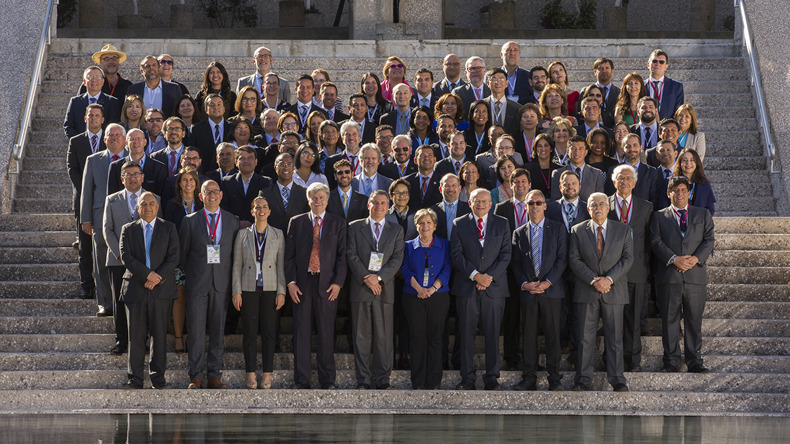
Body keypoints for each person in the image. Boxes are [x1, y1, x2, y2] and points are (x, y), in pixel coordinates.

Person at [568, 192, 634, 392]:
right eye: (593, 204)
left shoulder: (623, 230)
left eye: (601, 204)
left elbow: (628, 259)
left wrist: (609, 279)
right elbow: (574, 259)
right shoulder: (577, 230)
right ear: (588, 209)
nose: (597, 207)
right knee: (584, 338)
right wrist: (593, 280)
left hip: (614, 290)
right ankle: (583, 379)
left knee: (614, 338)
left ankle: (617, 379)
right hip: (587, 290)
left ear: (608, 207)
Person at [651, 176, 715, 374]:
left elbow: (709, 240)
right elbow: (655, 242)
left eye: (683, 190)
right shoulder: (659, 216)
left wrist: (694, 259)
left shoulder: (702, 214)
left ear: (690, 193)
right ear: (668, 193)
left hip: (695, 277)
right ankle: (670, 361)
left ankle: (694, 360)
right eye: (675, 190)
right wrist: (673, 259)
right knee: (669, 321)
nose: (679, 194)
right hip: (669, 277)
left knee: (694, 320)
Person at [285, 183, 347, 389]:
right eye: (313, 197)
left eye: (321, 197)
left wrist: (338, 283)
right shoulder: (296, 222)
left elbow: (341, 257)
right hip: (302, 285)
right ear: (308, 200)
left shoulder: (338, 223)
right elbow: (289, 257)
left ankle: (327, 380)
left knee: (327, 334)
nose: (317, 201)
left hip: (328, 285)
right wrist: (291, 283)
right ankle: (302, 380)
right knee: (301, 334)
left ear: (327, 200)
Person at [180, 180, 240, 389]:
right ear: (201, 196)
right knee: (195, 331)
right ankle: (195, 375)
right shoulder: (190, 221)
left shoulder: (232, 221)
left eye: (215, 192)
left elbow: (235, 254)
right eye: (207, 192)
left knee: (218, 329)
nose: (212, 195)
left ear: (221, 195)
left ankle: (214, 374)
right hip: (197, 283)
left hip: (222, 283)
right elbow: (183, 254)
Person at [450, 188, 512, 390]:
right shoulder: (459, 224)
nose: (481, 205)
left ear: (491, 203)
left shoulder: (502, 223)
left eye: (485, 201)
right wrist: (475, 276)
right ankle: (467, 378)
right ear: (470, 202)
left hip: (494, 288)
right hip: (467, 287)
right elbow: (457, 256)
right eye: (477, 201)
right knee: (466, 334)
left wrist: (487, 277)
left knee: (493, 334)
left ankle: (492, 377)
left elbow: (505, 255)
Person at [119, 191, 180, 390]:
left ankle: (158, 379)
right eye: (143, 204)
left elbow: (173, 257)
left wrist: (156, 277)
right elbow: (126, 257)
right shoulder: (128, 229)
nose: (147, 207)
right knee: (135, 336)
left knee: (159, 335)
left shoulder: (169, 228)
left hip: (161, 290)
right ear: (137, 208)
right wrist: (147, 275)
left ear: (157, 206)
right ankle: (134, 379)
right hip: (136, 288)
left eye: (151, 203)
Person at [346, 191, 405, 389]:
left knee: (384, 338)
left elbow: (397, 258)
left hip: (384, 289)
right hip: (361, 288)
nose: (379, 206)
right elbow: (351, 254)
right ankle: (363, 380)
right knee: (361, 338)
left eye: (383, 203)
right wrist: (367, 278)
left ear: (388, 207)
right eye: (375, 203)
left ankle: (383, 380)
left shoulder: (396, 230)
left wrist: (378, 278)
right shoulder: (354, 227)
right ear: (368, 205)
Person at [511, 189, 568, 391]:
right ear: (525, 206)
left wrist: (548, 282)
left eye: (538, 202)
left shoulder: (558, 229)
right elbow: (515, 264)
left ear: (545, 205)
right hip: (528, 292)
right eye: (530, 203)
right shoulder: (518, 233)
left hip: (551, 291)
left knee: (553, 335)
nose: (534, 206)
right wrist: (525, 284)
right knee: (528, 336)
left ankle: (555, 378)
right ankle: (529, 377)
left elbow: (562, 260)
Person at [231, 193, 286, 389]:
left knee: (270, 333)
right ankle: (251, 373)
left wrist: (282, 291)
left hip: (270, 288)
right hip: (248, 288)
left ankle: (267, 374)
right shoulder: (242, 234)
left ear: (269, 211)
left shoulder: (278, 234)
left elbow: (281, 265)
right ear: (252, 211)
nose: (261, 210)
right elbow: (236, 265)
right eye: (257, 207)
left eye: (264, 206)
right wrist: (236, 291)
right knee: (250, 333)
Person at [607, 164, 652, 373]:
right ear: (613, 181)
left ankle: (633, 360)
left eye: (628, 178)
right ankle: (612, 361)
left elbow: (649, 239)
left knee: (634, 319)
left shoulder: (645, 206)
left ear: (634, 183)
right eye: (620, 178)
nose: (624, 182)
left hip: (636, 270)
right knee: (612, 320)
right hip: (610, 271)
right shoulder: (603, 204)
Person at [401, 208, 452, 389]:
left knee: (436, 338)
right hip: (413, 296)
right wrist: (419, 288)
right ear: (416, 225)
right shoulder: (407, 246)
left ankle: (433, 380)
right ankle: (418, 380)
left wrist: (433, 288)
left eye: (429, 223)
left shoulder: (445, 244)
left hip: (438, 296)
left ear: (435, 226)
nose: (425, 226)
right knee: (417, 337)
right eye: (421, 223)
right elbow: (405, 270)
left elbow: (447, 268)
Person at [81, 123, 128, 317]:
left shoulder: (131, 158)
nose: (115, 138)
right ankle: (105, 302)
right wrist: (86, 219)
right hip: (100, 218)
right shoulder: (93, 160)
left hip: (126, 217)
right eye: (111, 135)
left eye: (118, 135)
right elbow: (86, 191)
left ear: (124, 139)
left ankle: (125, 300)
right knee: (100, 260)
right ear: (104, 139)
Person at [103, 161, 147, 356]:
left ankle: (142, 341)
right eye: (128, 175)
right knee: (119, 302)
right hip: (117, 260)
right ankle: (121, 341)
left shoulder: (153, 200)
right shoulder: (111, 200)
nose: (132, 177)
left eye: (136, 174)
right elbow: (107, 229)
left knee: (142, 303)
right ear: (122, 179)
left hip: (143, 262)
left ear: (142, 177)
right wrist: (120, 255)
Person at [67, 104, 105, 299]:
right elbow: (72, 169)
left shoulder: (110, 140)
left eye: (97, 116)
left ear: (103, 119)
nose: (94, 118)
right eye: (90, 115)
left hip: (104, 199)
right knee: (85, 244)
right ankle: (86, 285)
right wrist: (86, 191)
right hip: (82, 199)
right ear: (85, 118)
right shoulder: (76, 141)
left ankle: (104, 285)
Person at [163, 166, 202, 355]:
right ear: (179, 184)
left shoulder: (203, 204)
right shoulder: (171, 205)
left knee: (196, 298)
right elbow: (168, 232)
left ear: (196, 184)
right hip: (178, 258)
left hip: (199, 258)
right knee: (179, 298)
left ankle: (195, 336)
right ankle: (179, 338)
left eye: (191, 180)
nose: (188, 184)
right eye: (184, 180)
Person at [220, 146, 272, 228]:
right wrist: (237, 222)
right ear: (236, 162)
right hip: (232, 228)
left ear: (256, 162)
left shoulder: (266, 182)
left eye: (250, 158)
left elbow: (267, 207)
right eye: (242, 158)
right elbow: (224, 208)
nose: (246, 161)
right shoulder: (227, 182)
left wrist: (251, 222)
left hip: (257, 229)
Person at [607, 133, 662, 208]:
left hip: (644, 216)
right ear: (623, 149)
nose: (632, 149)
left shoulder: (651, 172)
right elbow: (610, 198)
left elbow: (654, 200)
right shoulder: (613, 171)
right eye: (628, 146)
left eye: (635, 145)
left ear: (641, 147)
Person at [108, 128, 167, 197]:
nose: (136, 142)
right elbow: (112, 198)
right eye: (132, 139)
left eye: (139, 139)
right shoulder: (115, 166)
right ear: (126, 143)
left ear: (145, 142)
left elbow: (161, 198)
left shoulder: (159, 167)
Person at [64, 66, 120, 139]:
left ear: (103, 81)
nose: (94, 80)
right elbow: (68, 126)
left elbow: (113, 127)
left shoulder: (112, 102)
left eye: (97, 77)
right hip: (80, 146)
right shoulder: (75, 101)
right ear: (84, 82)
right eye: (90, 77)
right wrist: (79, 142)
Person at [261, 153, 309, 234]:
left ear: (293, 167)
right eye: (281, 164)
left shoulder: (304, 193)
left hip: (297, 240)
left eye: (289, 164)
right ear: (275, 167)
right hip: (273, 240)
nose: (286, 167)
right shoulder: (265, 193)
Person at [550, 136, 604, 202]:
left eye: (581, 149)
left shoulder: (596, 174)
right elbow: (555, 201)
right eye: (573, 149)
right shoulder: (557, 173)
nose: (577, 152)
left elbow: (600, 200)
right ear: (567, 151)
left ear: (586, 152)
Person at [191, 94, 230, 172]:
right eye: (212, 105)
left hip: (228, 172)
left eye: (219, 104)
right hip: (204, 172)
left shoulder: (232, 127)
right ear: (206, 110)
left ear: (224, 108)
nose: (216, 107)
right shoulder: (197, 129)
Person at [673, 148, 716, 215]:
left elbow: (710, 209)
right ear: (680, 163)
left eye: (692, 160)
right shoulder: (672, 182)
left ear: (697, 163)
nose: (688, 163)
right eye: (685, 160)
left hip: (698, 223)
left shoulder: (704, 184)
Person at [646, 49, 685, 120]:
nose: (657, 64)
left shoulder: (676, 87)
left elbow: (678, 113)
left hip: (667, 129)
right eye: (654, 61)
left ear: (666, 66)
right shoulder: (639, 86)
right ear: (648, 64)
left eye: (661, 62)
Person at [579, 57, 620, 123]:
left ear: (612, 71)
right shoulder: (585, 91)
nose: (604, 71)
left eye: (607, 68)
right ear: (595, 72)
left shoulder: (619, 93)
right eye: (600, 68)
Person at [325, 121, 363, 189]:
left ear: (359, 138)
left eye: (354, 134)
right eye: (347, 134)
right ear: (342, 139)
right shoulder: (331, 161)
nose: (351, 138)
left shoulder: (368, 159)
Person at [484, 68, 521, 135]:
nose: (497, 82)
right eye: (494, 79)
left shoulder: (517, 108)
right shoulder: (481, 105)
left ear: (506, 83)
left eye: (501, 79)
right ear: (488, 83)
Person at [405, 145, 442, 210]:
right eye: (422, 155)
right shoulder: (406, 181)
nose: (426, 158)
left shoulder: (442, 181)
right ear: (415, 160)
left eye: (429, 155)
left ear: (435, 159)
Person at [525, 134, 561, 198]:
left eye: (546, 145)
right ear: (535, 149)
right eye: (539, 146)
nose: (543, 149)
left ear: (551, 149)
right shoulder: (527, 169)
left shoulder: (560, 169)